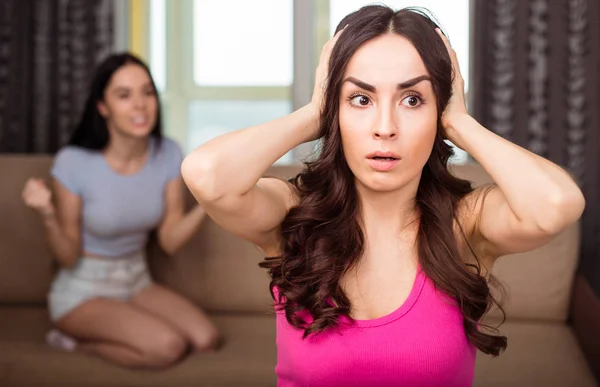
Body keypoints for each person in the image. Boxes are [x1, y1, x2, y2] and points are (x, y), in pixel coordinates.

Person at [181, 5, 585, 387]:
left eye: (413, 100)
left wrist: (461, 123)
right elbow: (207, 174)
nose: (385, 127)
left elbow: (556, 204)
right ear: (334, 110)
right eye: (361, 99)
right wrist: (312, 114)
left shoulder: (467, 224)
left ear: (438, 111)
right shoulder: (293, 214)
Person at [21, 53, 219, 369]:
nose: (140, 105)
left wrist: (210, 202)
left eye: (147, 92)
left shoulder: (168, 153)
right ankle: (73, 341)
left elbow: (168, 240)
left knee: (206, 339)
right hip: (83, 289)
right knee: (168, 347)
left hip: (137, 280)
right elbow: (68, 256)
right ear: (103, 107)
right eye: (124, 95)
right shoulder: (73, 162)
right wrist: (47, 213)